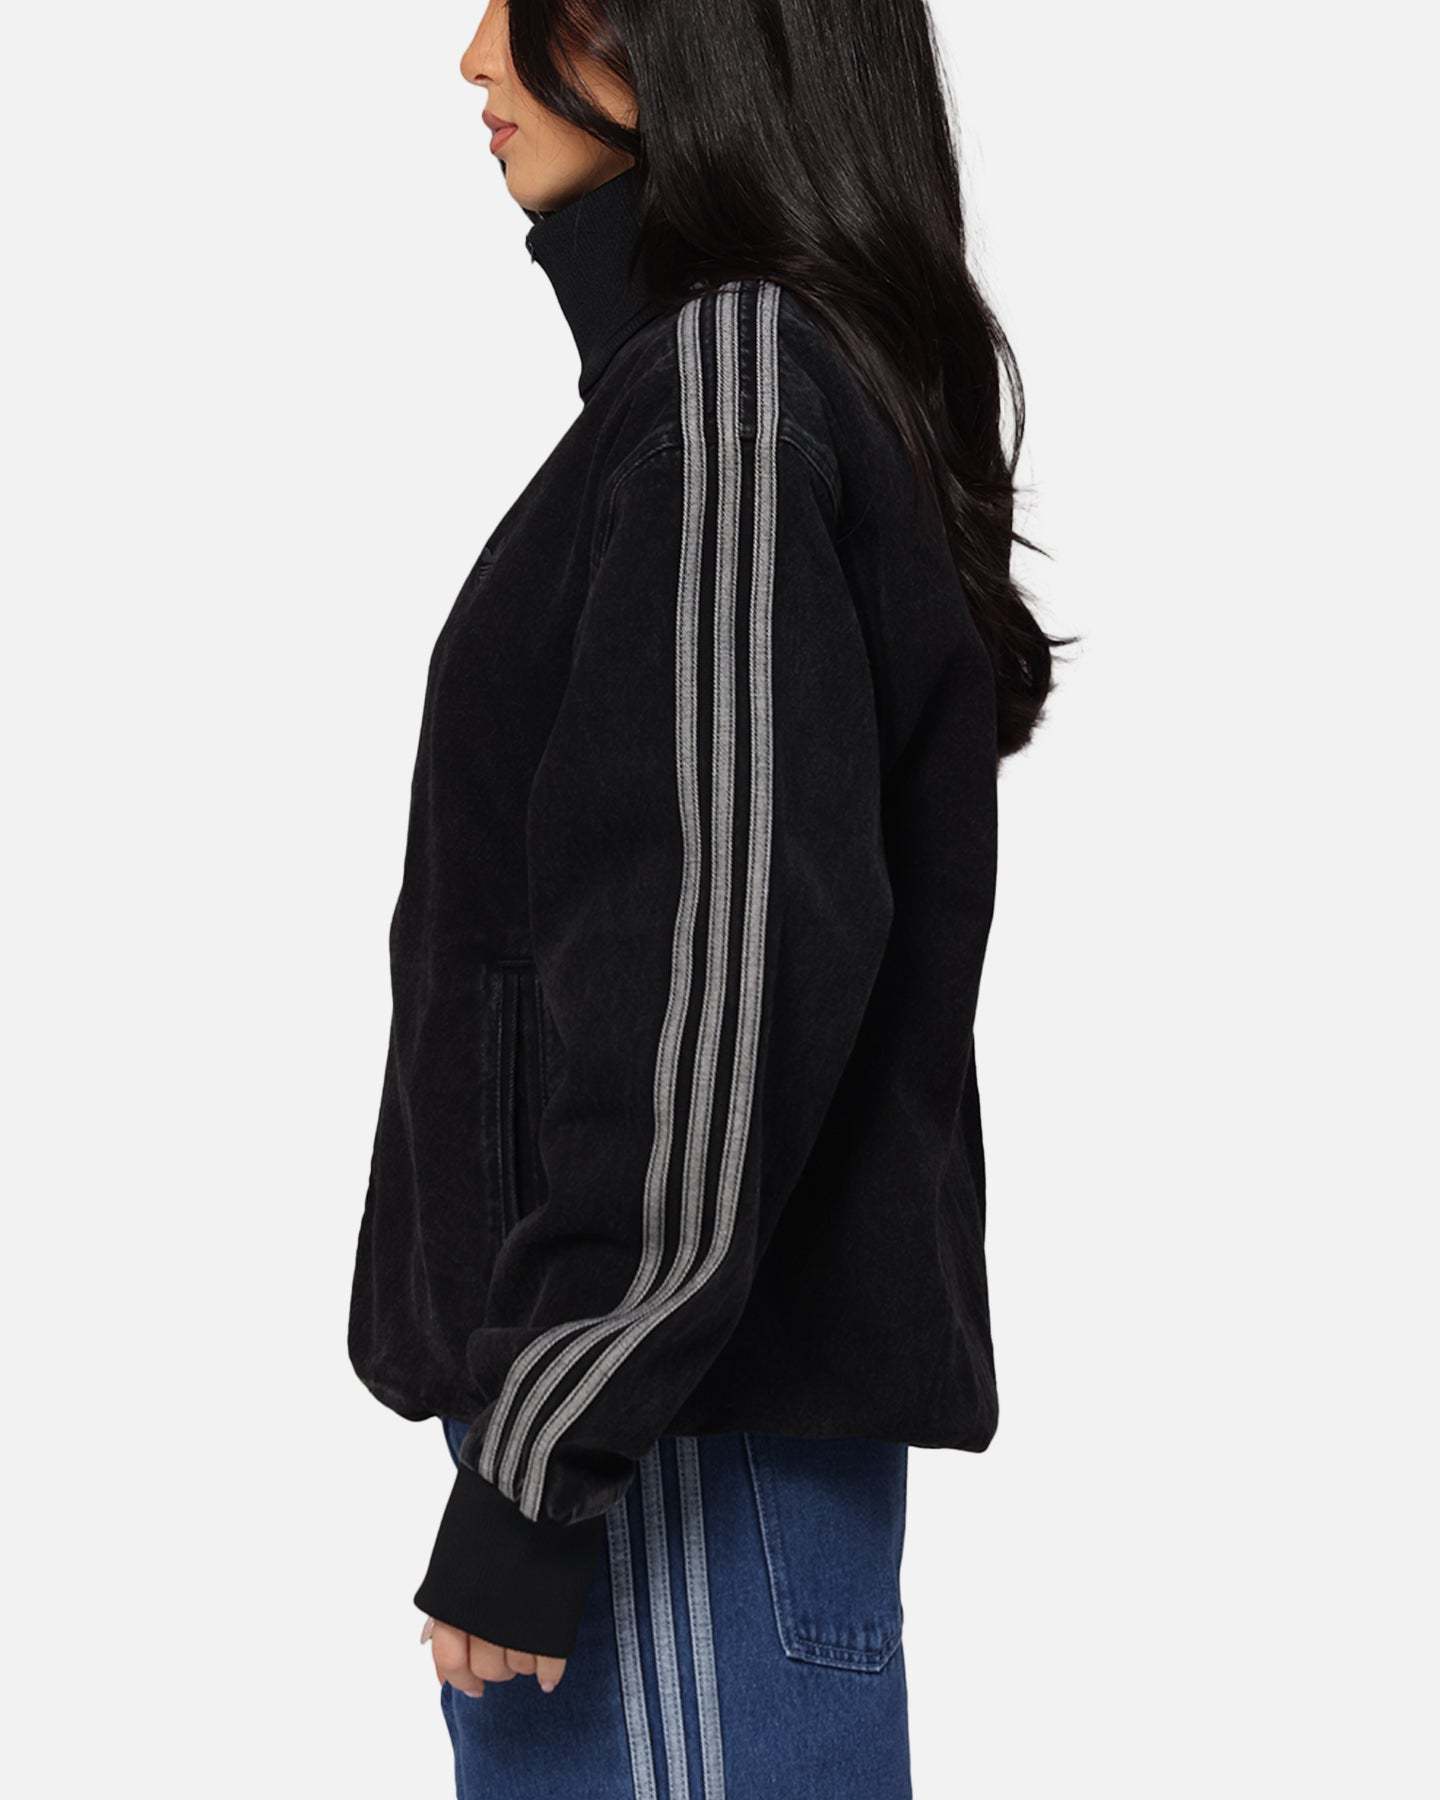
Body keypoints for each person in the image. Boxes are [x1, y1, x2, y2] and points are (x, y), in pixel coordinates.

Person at [347, 2, 1057, 1793]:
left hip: (666, 1477)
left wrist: (547, 1446)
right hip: (666, 1456)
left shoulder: (731, 389)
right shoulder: (721, 392)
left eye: (523, 1)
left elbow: (715, 961)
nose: (474, 58)